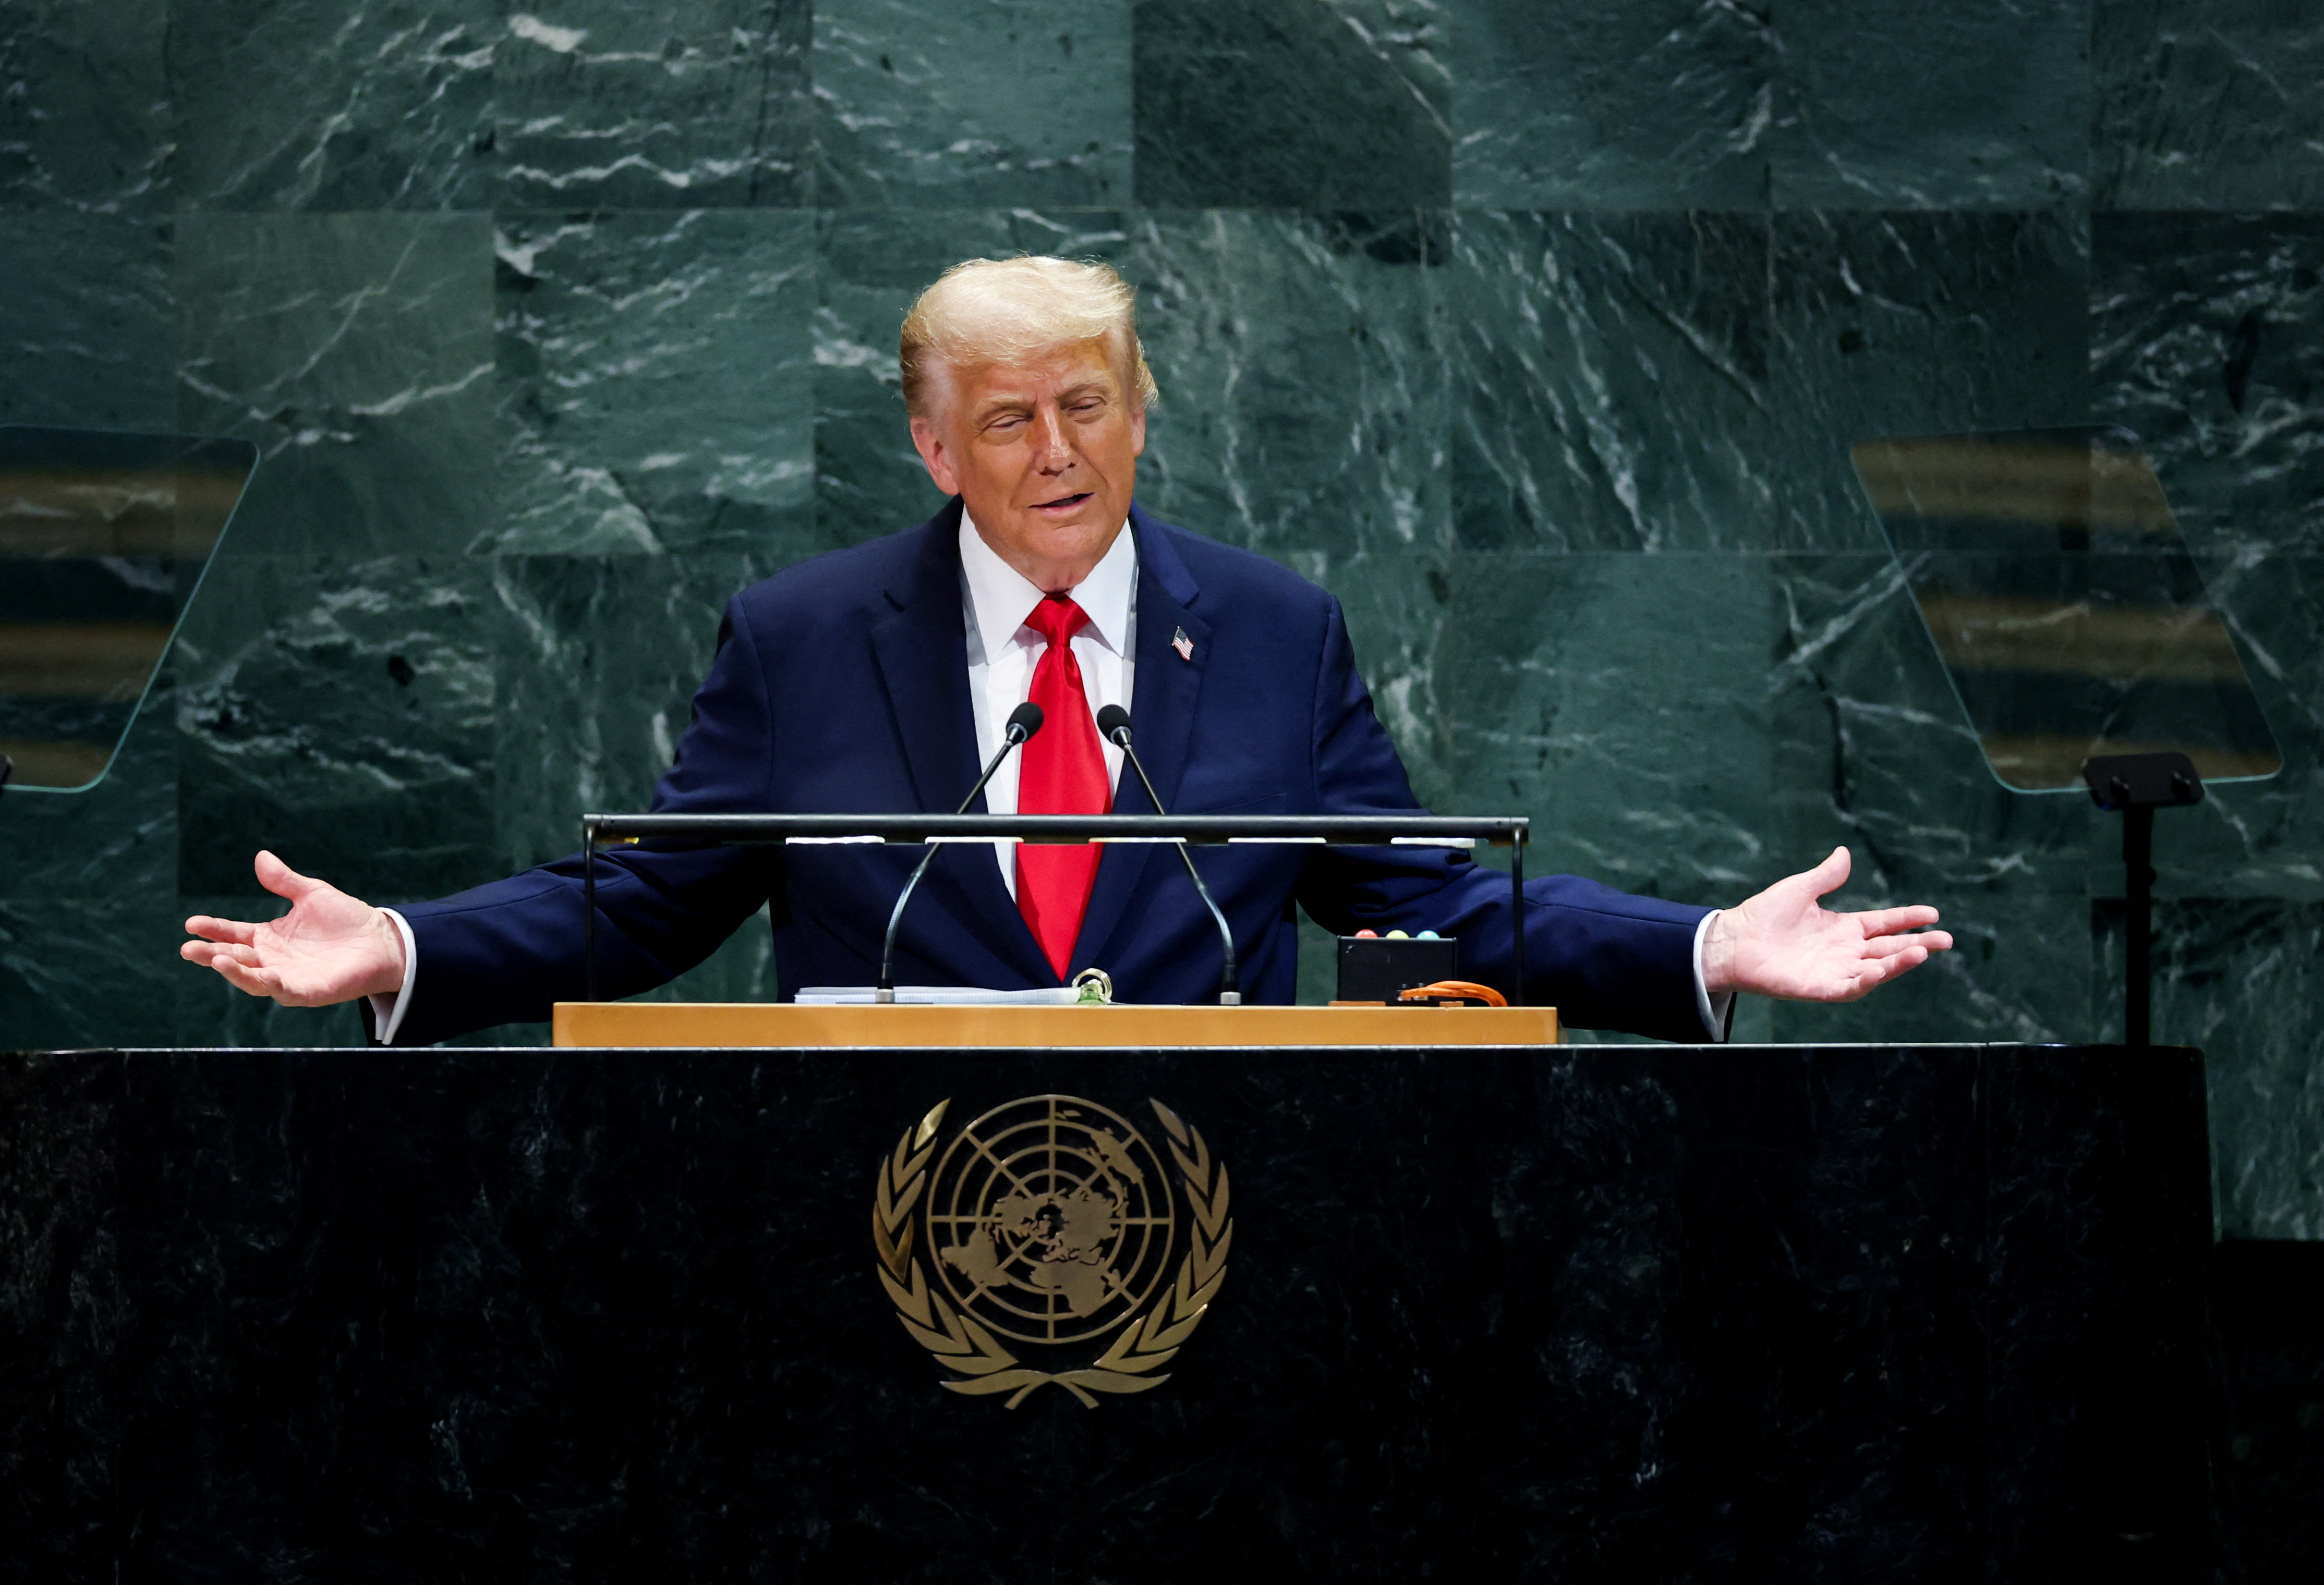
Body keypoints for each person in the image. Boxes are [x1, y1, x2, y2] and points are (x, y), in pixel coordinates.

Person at [181, 258, 1952, 1043]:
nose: (1056, 454)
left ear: (1139, 417)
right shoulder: (803, 641)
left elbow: (1430, 904)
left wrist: (1709, 945)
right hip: (867, 1202)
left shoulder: (1267, 629)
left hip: (1216, 1200)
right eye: (1009, 419)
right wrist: (403, 948)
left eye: (1088, 407)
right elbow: (640, 904)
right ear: (934, 448)